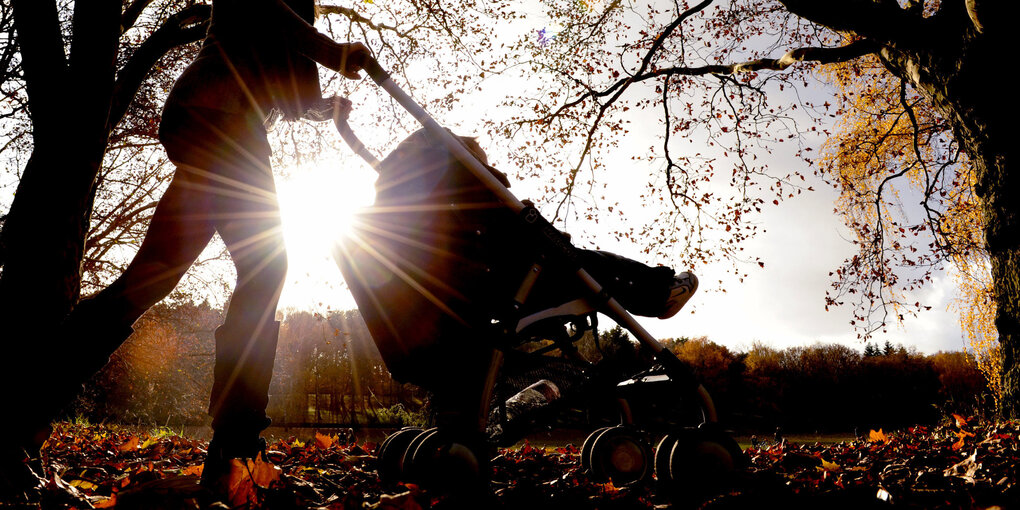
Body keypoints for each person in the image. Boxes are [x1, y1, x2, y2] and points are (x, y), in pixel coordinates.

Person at [0, 0, 369, 497]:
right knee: (265, 270)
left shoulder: (301, 12)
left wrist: (329, 106)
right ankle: (235, 446)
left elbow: (297, 97)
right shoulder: (283, 11)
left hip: (210, 122)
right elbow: (267, 14)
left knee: (150, 279)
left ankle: (14, 416)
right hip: (221, 121)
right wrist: (336, 52)